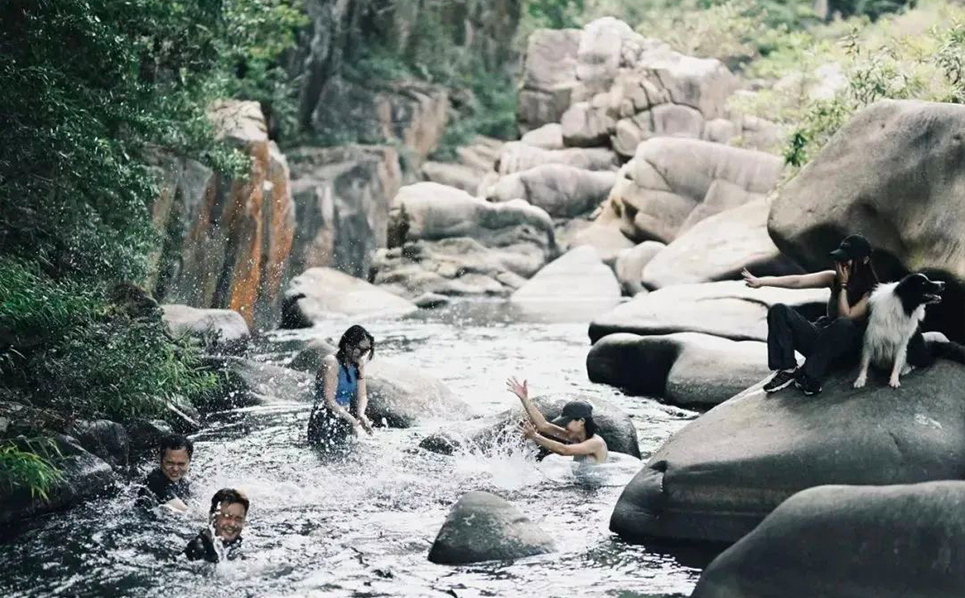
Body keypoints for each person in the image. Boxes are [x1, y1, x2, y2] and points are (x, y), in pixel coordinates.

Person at [743, 233, 879, 396]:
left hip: (844, 351)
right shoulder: (832, 278)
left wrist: (843, 286)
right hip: (822, 339)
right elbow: (798, 281)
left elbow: (845, 317)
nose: (841, 264)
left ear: (864, 260)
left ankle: (809, 376)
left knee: (844, 324)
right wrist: (761, 282)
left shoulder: (872, 291)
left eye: (847, 260)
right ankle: (787, 369)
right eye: (839, 259)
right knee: (779, 310)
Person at [506, 377, 608, 463]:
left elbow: (564, 450)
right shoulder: (577, 437)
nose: (565, 427)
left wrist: (535, 436)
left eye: (567, 422)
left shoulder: (596, 443)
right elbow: (543, 425)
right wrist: (524, 398)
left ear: (581, 421)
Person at [307, 325, 375, 449]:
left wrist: (361, 414)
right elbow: (329, 401)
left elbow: (362, 395)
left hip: (344, 418)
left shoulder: (358, 364)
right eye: (361, 349)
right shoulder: (331, 362)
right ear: (348, 346)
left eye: (367, 350)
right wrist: (352, 421)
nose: (363, 354)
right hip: (324, 421)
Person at [185, 488, 249, 563]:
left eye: (238, 518)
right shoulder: (197, 552)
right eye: (227, 516)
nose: (232, 524)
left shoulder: (241, 544)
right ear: (212, 516)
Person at [139, 434, 193, 512]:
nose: (175, 469)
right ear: (160, 460)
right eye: (170, 463)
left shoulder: (185, 480)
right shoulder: (154, 480)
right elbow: (185, 511)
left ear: (189, 462)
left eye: (181, 464)